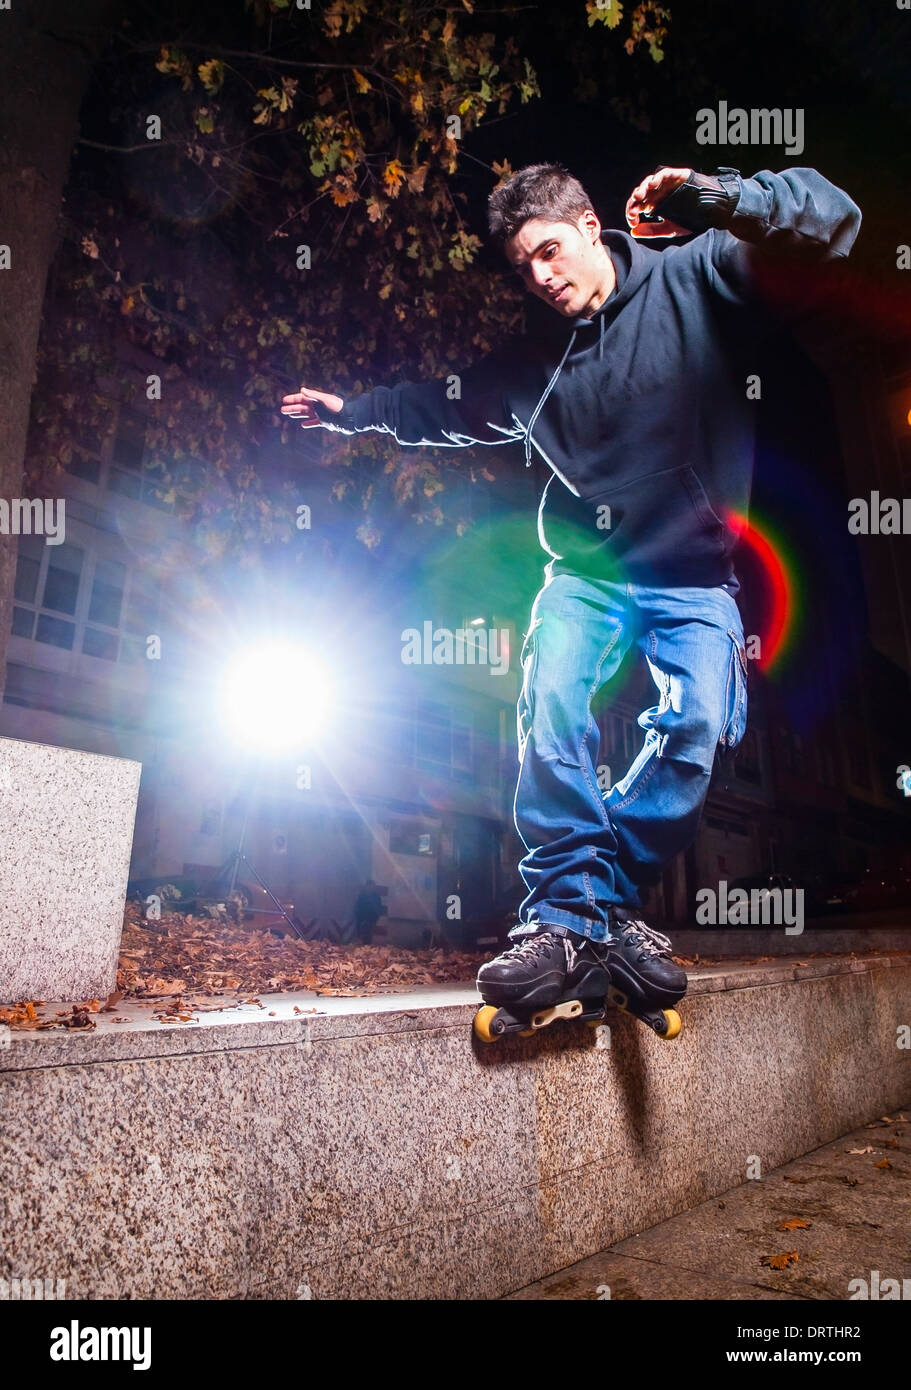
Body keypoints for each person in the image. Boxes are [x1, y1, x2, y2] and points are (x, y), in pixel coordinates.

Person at [282, 161, 861, 1019]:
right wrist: (350, 411)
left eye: (550, 252)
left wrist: (724, 199)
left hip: (695, 574)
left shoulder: (700, 275)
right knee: (553, 698)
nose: (542, 278)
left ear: (590, 227)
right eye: (523, 268)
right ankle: (561, 913)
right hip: (587, 573)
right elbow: (437, 409)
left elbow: (833, 221)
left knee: (698, 726)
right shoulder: (527, 366)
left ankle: (598, 906)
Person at [353, 879, 383, 945]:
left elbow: (379, 908)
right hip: (361, 919)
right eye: (369, 886)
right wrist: (358, 918)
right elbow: (357, 907)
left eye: (372, 886)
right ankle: (362, 949)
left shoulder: (376, 896)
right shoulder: (361, 895)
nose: (371, 888)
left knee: (368, 936)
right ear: (366, 886)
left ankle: (366, 949)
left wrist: (376, 918)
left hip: (371, 919)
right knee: (361, 936)